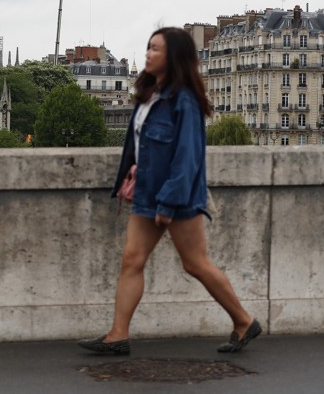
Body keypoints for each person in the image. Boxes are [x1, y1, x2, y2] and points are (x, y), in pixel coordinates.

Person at [79, 27, 261, 355]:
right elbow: (141, 145)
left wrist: (169, 201)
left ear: (173, 57)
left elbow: (188, 157)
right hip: (145, 193)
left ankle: (244, 320)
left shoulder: (184, 101)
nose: (148, 54)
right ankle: (117, 335)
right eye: (148, 47)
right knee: (132, 259)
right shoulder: (150, 95)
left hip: (176, 198)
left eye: (155, 49)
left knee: (196, 264)